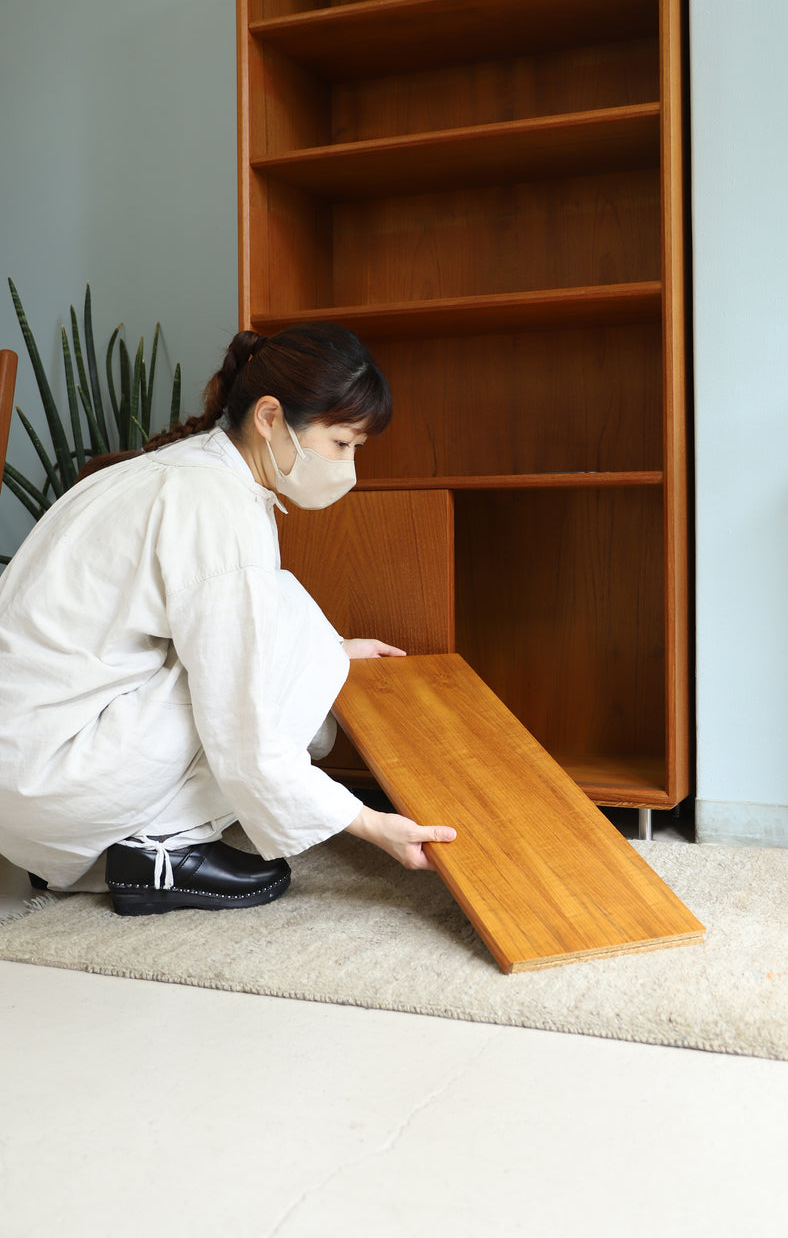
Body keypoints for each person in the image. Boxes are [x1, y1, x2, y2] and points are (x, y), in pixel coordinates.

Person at [0, 323, 456, 914]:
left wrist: (325, 650)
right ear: (270, 417)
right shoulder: (214, 505)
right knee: (280, 629)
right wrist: (370, 824)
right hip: (52, 776)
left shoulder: (181, 473)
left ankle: (111, 841)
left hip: (25, 773)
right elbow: (244, 716)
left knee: (285, 622)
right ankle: (161, 849)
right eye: (342, 444)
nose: (349, 467)